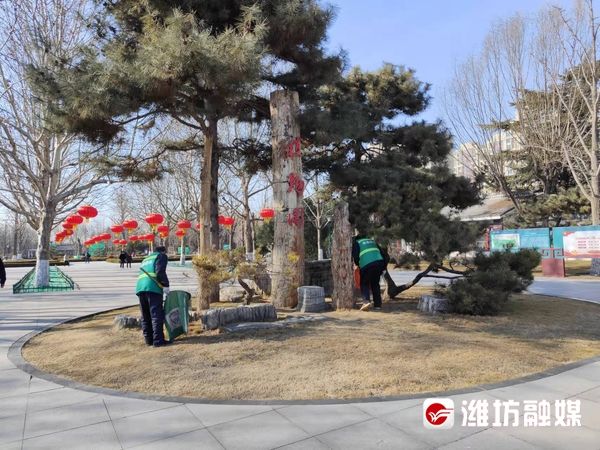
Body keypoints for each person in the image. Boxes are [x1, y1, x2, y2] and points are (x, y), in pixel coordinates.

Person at [135, 245, 170, 347]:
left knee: (145, 316)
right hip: (153, 288)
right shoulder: (161, 256)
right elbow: (160, 272)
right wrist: (166, 285)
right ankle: (158, 341)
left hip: (140, 288)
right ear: (163, 251)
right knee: (156, 315)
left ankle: (148, 340)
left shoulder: (147, 258)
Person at [352, 234, 386, 311]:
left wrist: (358, 264)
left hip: (367, 264)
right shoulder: (372, 241)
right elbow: (383, 254)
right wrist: (383, 267)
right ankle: (378, 305)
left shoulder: (357, 243)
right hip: (379, 263)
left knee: (364, 283)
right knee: (375, 284)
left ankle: (366, 301)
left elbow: (356, 256)